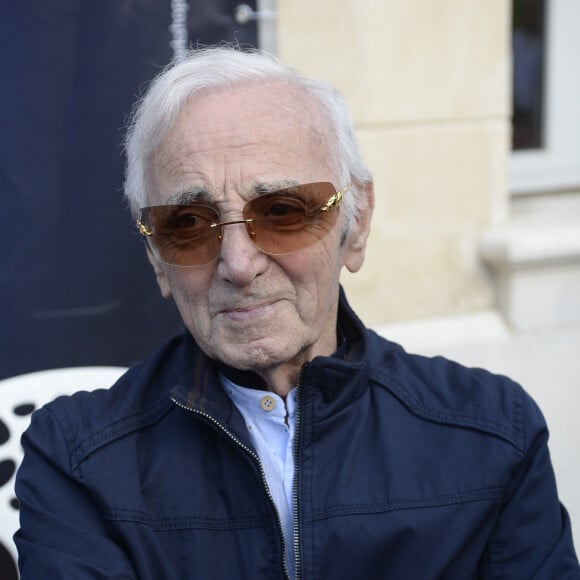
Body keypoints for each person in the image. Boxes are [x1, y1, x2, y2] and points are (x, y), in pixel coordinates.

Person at [14, 46, 580, 579]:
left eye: (282, 210)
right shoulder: (76, 459)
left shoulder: (492, 434)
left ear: (355, 224)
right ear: (157, 259)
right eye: (187, 224)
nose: (238, 263)